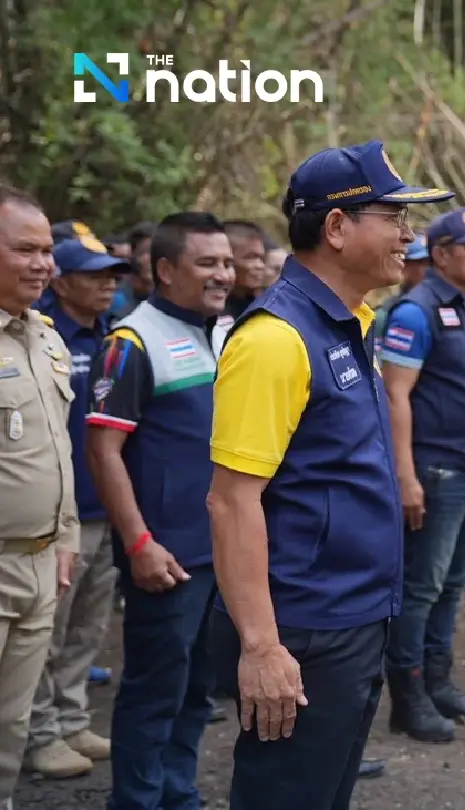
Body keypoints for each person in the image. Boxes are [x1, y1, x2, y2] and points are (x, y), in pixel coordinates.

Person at [206, 140, 452, 810]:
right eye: (392, 216)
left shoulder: (347, 325)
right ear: (337, 228)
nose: (409, 234)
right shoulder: (274, 339)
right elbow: (231, 503)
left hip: (352, 617)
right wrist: (261, 647)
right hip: (304, 629)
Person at [86, 211, 235, 810]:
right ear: (166, 270)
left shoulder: (225, 333)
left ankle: (180, 796)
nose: (222, 274)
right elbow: (103, 450)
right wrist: (139, 542)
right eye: (208, 263)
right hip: (167, 558)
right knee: (155, 694)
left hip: (220, 552)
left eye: (226, 262)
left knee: (199, 690)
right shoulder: (132, 341)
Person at [378, 208, 465, 738]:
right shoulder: (415, 311)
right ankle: (408, 699)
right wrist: (405, 477)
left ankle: (439, 684)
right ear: (441, 254)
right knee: (422, 589)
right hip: (438, 472)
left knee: (453, 586)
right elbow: (395, 396)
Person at [23, 237, 129, 779]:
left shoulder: (109, 336)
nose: (109, 283)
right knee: (48, 630)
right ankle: (38, 733)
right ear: (60, 282)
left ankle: (71, 719)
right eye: (95, 275)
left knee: (88, 628)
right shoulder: (39, 336)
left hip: (105, 506)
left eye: (114, 274)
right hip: (63, 519)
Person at [0, 186, 80, 810]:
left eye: (47, 250)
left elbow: (59, 453)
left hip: (39, 562)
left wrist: (64, 540)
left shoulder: (46, 338)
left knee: (12, 728)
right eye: (24, 249)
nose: (43, 264)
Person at [370, 235, 431, 356]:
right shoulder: (385, 314)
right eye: (420, 262)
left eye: (430, 262)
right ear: (404, 266)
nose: (427, 269)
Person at [223, 221, 275, 320]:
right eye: (251, 257)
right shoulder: (211, 312)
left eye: (261, 258)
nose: (260, 266)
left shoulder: (271, 304)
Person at [111, 223, 156, 320]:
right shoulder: (115, 300)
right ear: (132, 255)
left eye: (160, 252)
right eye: (148, 251)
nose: (155, 259)